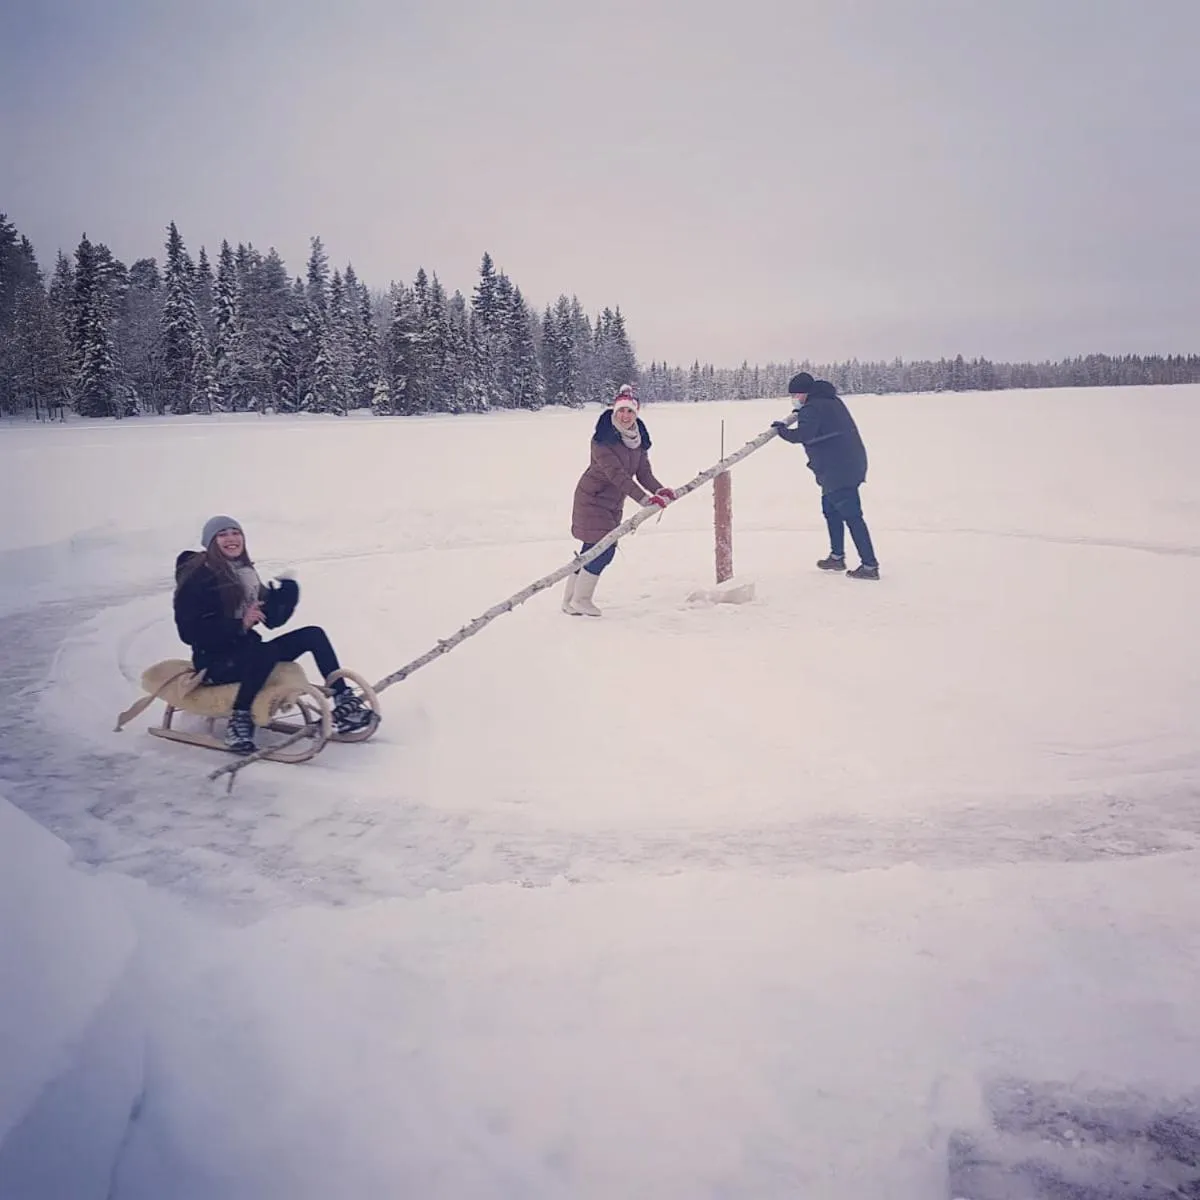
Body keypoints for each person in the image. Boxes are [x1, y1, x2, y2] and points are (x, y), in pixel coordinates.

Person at [173, 515, 375, 753]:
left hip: (249, 652)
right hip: (214, 662)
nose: (231, 539)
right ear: (210, 542)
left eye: (235, 533)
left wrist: (286, 594)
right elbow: (189, 632)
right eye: (222, 535)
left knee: (313, 635)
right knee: (263, 651)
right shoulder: (198, 578)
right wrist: (239, 624)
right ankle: (239, 720)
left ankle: (343, 699)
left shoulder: (243, 572)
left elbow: (271, 620)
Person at [564, 385, 676, 617]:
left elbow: (643, 472)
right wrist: (645, 499)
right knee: (604, 550)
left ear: (636, 413)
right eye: (621, 411)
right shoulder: (602, 439)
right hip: (592, 499)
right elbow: (616, 475)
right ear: (614, 411)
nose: (625, 416)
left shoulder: (637, 439)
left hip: (613, 503)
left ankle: (569, 601)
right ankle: (581, 600)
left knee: (591, 549)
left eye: (630, 411)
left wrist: (659, 490)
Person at [771, 372, 879, 580]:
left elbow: (804, 434)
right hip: (846, 465)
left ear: (805, 393)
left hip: (838, 470)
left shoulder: (812, 408)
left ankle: (869, 565)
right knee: (831, 510)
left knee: (852, 516)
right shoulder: (830, 401)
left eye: (796, 395)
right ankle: (837, 557)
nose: (795, 399)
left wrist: (782, 430)